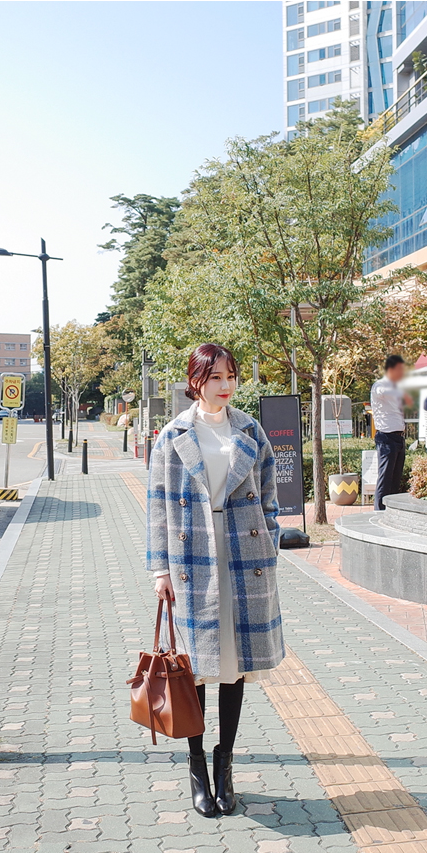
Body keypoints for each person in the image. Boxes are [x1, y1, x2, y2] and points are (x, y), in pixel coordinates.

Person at [147, 344, 284, 819]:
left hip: (245, 557)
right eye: (216, 377)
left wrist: (270, 539)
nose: (225, 386)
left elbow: (270, 495)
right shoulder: (173, 435)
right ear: (196, 381)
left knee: (234, 664)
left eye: (231, 376)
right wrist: (160, 569)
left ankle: (225, 766)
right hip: (194, 560)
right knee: (196, 669)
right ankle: (197, 768)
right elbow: (158, 507)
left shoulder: (250, 430)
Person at [370, 354, 407, 509]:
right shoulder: (380, 386)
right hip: (386, 437)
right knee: (385, 478)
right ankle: (379, 511)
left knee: (395, 479)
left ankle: (390, 510)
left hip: (399, 437)